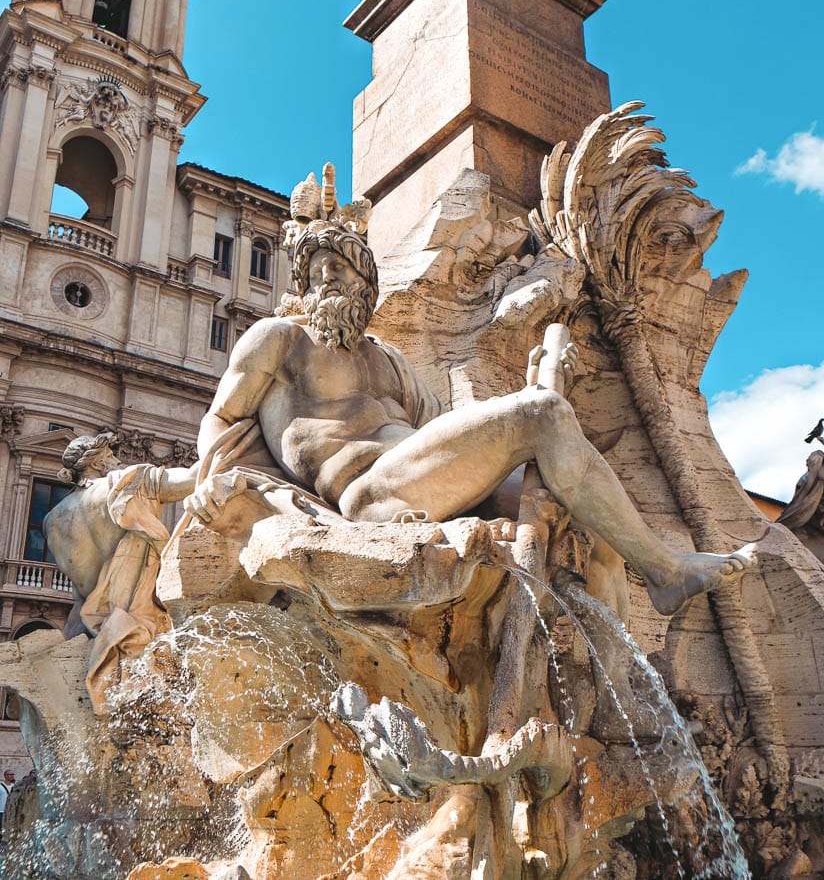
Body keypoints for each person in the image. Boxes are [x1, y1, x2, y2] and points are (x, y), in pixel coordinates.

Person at [186, 224, 754, 616]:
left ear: (366, 282)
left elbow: (450, 434)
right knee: (541, 413)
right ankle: (665, 571)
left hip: (429, 477)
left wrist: (533, 387)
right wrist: (209, 484)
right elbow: (222, 418)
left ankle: (618, 698)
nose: (326, 277)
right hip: (366, 493)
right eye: (315, 270)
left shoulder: (388, 359)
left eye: (339, 266)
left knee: (592, 523)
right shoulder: (279, 339)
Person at [44, 432, 195, 710]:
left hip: (83, 630)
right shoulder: (125, 485)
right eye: (112, 456)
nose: (118, 461)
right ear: (99, 463)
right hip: (137, 627)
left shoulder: (51, 520)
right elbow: (194, 479)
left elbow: (79, 586)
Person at [0, 769, 15, 839]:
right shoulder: (0, 786)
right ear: (5, 776)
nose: (12, 776)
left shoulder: (14, 786)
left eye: (13, 774)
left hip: (11, 811)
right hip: (1, 811)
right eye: (10, 774)